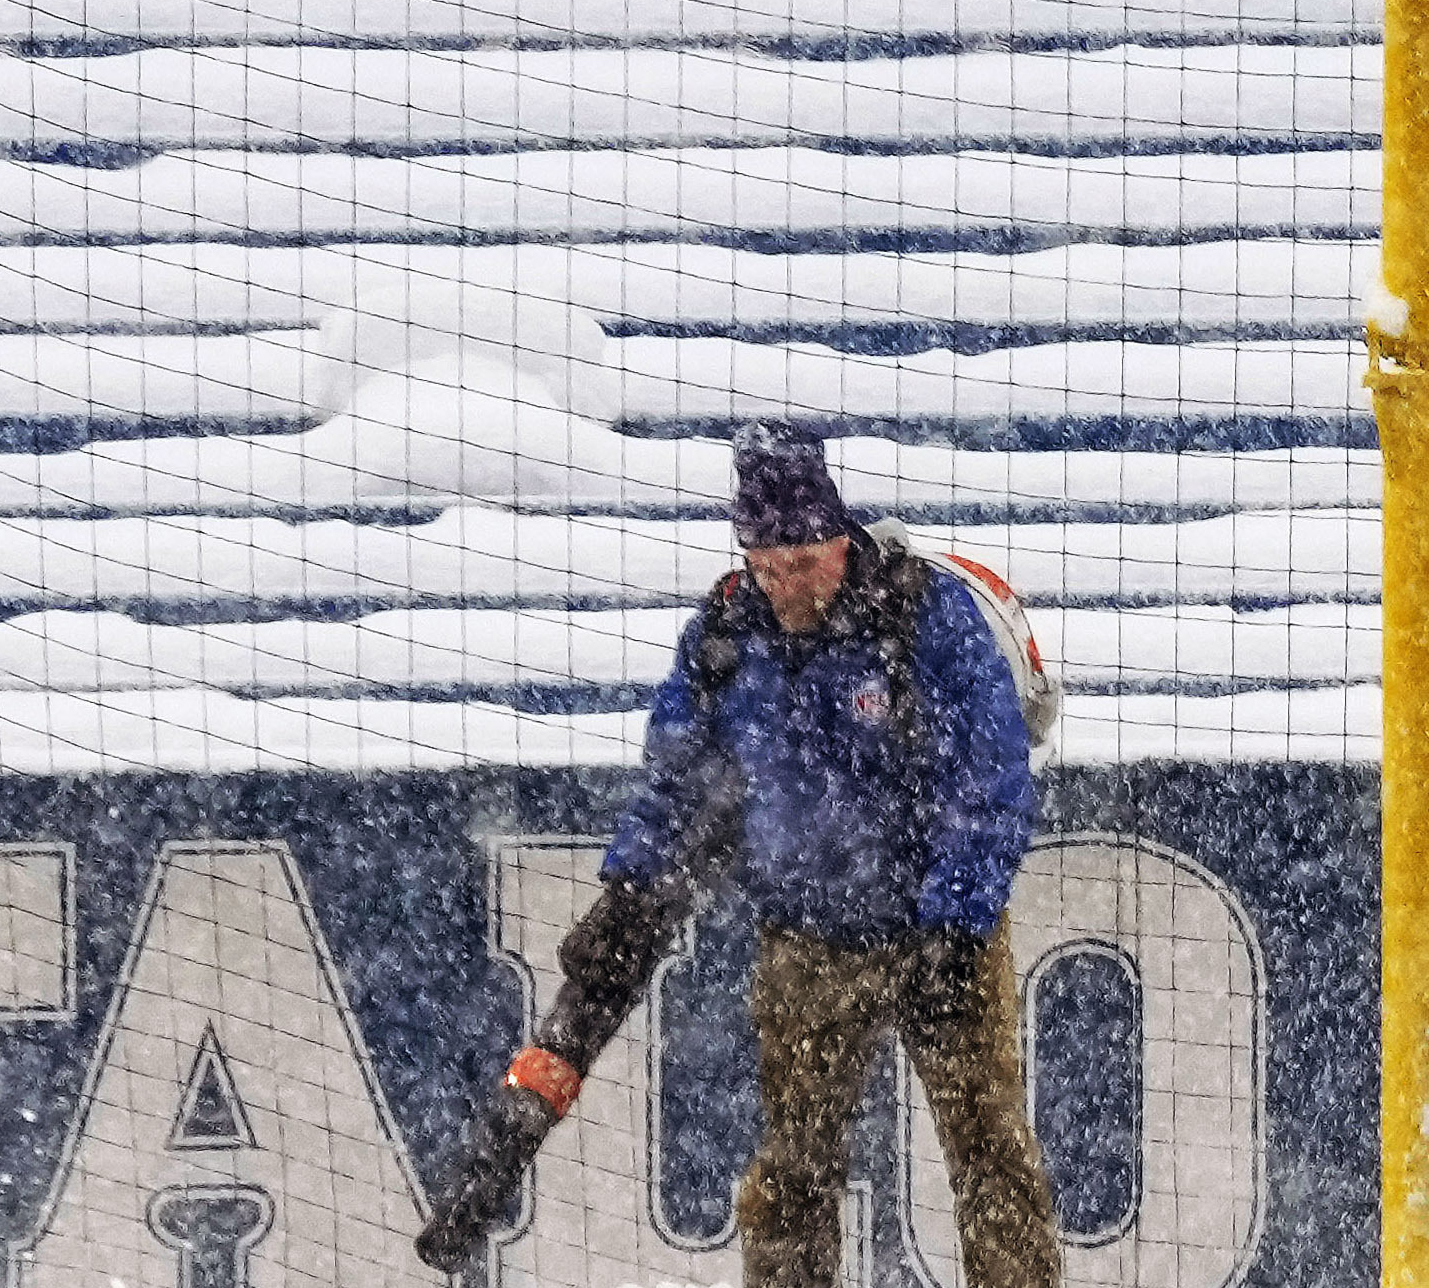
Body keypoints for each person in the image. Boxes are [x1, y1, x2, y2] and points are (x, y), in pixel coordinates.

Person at [440, 426, 1047, 1288]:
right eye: (767, 567)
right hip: (808, 939)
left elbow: (989, 779)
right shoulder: (724, 637)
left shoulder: (924, 616)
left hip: (938, 931)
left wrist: (956, 922)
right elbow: (676, 788)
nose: (786, 586)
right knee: (793, 1174)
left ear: (840, 539)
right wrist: (627, 891)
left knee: (991, 1159)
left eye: (803, 563)